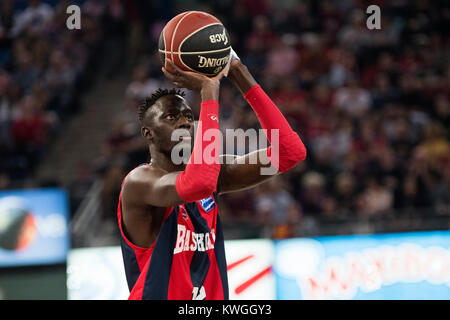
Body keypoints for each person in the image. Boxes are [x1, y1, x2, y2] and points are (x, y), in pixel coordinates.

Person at [117, 51, 307, 300]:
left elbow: (290, 153)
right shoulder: (138, 183)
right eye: (171, 117)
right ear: (148, 133)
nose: (184, 123)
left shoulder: (210, 176)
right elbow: (198, 183)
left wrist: (241, 76)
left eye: (188, 116)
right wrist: (208, 91)